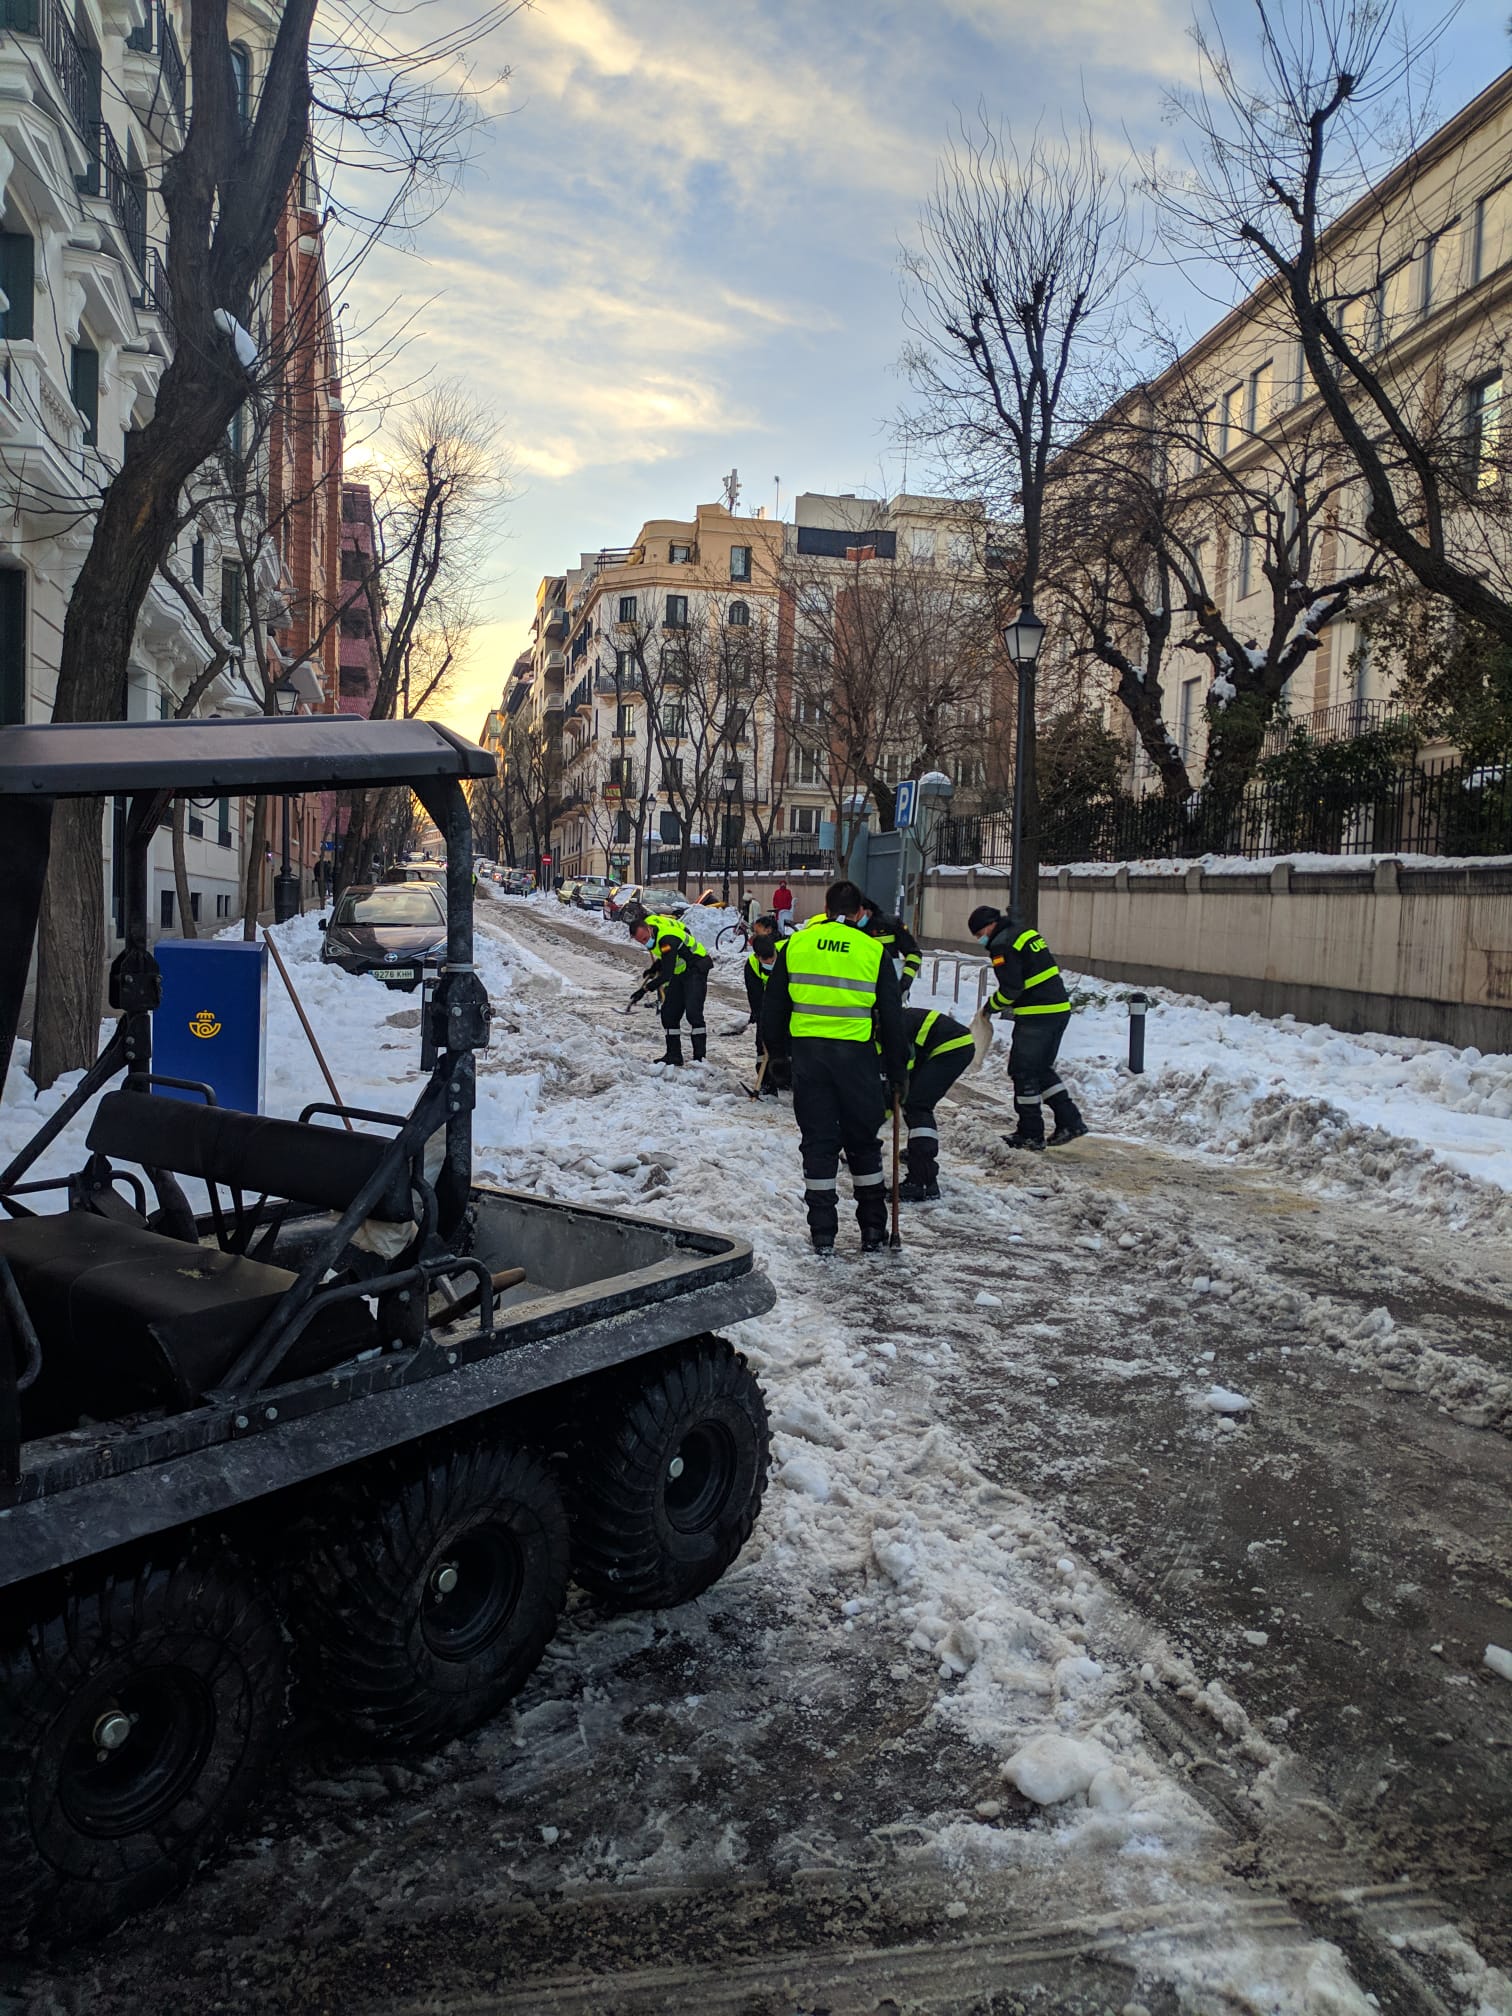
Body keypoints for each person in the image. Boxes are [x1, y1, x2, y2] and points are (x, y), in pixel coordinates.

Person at [761, 878, 907, 1256]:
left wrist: (776, 1055)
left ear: (825, 910)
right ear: (860, 913)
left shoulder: (797, 944)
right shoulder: (873, 951)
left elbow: (773, 1006)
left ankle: (823, 1233)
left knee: (819, 1144)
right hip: (856, 1061)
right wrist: (897, 1072)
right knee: (863, 1143)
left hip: (810, 1060)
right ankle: (873, 1229)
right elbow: (891, 1018)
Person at [967, 905, 1087, 1149]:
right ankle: (1070, 1121)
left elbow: (1011, 989)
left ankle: (1030, 1133)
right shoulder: (1023, 933)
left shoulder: (1002, 944)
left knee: (1022, 1072)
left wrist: (990, 1007)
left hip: (1036, 1015)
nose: (981, 940)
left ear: (989, 925)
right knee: (1040, 1069)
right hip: (1057, 1010)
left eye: (980, 934)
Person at [897, 1004, 978, 1199]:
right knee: (912, 1100)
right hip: (941, 1046)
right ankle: (918, 1150)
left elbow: (903, 1068)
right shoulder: (889, 1019)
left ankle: (922, 1181)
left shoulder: (890, 1027)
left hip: (952, 1048)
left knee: (917, 1104)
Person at [621, 900, 711, 1066]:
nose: (644, 942)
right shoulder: (652, 928)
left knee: (693, 1013)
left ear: (649, 929)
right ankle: (673, 1055)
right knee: (669, 1013)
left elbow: (667, 974)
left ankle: (700, 1058)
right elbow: (666, 958)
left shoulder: (666, 939)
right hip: (680, 971)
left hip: (696, 968)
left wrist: (645, 989)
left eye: (645, 938)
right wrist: (654, 967)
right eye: (640, 941)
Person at [742, 913, 789, 1095]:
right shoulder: (752, 966)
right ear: (757, 956)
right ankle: (766, 1081)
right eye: (765, 960)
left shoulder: (785, 952)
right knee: (763, 1042)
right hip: (767, 1003)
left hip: (789, 1002)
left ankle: (786, 1078)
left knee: (788, 1042)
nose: (769, 962)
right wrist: (760, 1015)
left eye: (772, 958)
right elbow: (755, 996)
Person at [860, 896, 923, 997]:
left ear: (866, 909)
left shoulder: (891, 924)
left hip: (889, 989)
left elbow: (914, 954)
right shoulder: (850, 926)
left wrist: (904, 984)